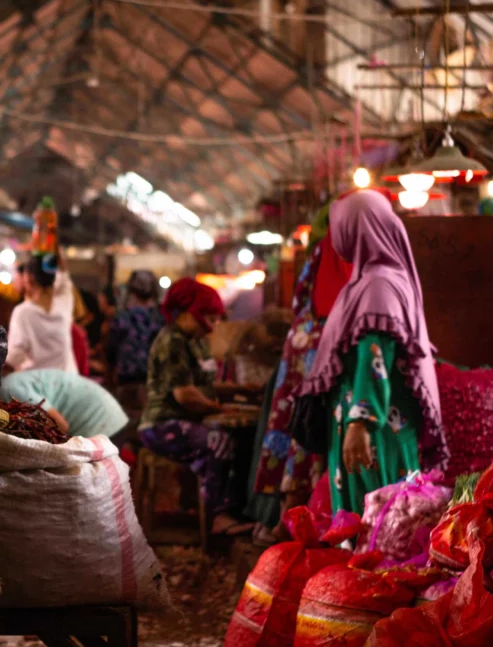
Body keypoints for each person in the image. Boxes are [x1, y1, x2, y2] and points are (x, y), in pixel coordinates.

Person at [296, 190, 448, 515]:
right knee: (375, 535)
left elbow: (373, 358)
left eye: (341, 225)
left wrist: (360, 424)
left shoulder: (378, 285)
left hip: (375, 434)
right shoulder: (373, 280)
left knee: (376, 534)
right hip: (369, 429)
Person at [252, 198, 353, 544]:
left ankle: (285, 520)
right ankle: (306, 523)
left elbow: (299, 299)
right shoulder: (359, 254)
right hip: (329, 346)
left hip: (301, 342)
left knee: (295, 428)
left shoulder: (319, 253)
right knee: (316, 433)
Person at [139, 277, 251, 535]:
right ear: (191, 313)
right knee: (219, 441)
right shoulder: (172, 341)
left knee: (242, 438)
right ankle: (218, 517)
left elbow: (204, 386)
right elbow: (185, 395)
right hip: (160, 425)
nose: (212, 328)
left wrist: (242, 390)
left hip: (186, 423)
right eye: (209, 319)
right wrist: (220, 409)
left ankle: (226, 509)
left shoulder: (197, 341)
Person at [0, 369, 129, 439]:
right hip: (106, 416)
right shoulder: (10, 384)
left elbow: (59, 425)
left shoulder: (9, 388)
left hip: (98, 420)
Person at [5, 255, 77, 373]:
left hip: (36, 386)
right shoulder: (64, 304)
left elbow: (15, 355)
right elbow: (64, 279)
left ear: (29, 278)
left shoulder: (23, 312)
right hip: (67, 384)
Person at [108, 270, 165, 386]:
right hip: (155, 380)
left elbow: (111, 349)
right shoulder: (159, 317)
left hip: (127, 378)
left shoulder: (123, 317)